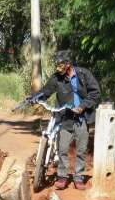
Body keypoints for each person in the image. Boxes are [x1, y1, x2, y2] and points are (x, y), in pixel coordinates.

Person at [27, 50, 100, 190]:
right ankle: (62, 177)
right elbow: (46, 91)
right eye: (57, 65)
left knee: (81, 150)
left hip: (82, 118)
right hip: (65, 117)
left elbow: (95, 93)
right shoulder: (57, 78)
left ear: (68, 64)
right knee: (62, 149)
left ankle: (78, 178)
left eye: (60, 65)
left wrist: (83, 106)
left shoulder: (84, 74)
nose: (57, 68)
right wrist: (34, 97)